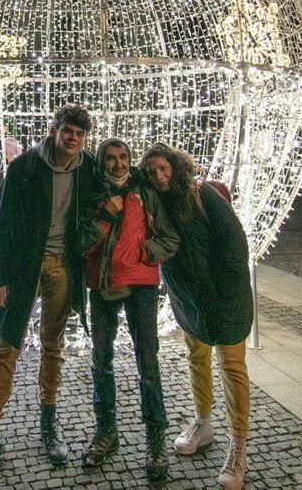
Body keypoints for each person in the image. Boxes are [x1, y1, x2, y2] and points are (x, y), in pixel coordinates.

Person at [0, 105, 96, 477]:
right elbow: (0, 221)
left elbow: (118, 183)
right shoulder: (25, 167)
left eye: (80, 134)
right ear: (55, 130)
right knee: (8, 347)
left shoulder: (88, 168)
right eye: (68, 131)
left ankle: (49, 423)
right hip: (24, 267)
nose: (74, 139)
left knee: (54, 346)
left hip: (63, 266)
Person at [140, 144, 253, 490]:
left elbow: (235, 245)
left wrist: (223, 290)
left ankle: (238, 446)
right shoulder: (158, 203)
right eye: (151, 172)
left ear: (174, 166)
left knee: (232, 365)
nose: (159, 176)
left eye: (163, 168)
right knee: (197, 357)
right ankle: (203, 422)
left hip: (224, 296)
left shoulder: (202, 194)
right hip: (188, 299)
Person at [80, 138, 179, 482]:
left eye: (123, 158)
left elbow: (170, 237)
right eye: (111, 159)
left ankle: (156, 439)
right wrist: (105, 216)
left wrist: (143, 254)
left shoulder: (146, 191)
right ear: (101, 162)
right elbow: (79, 242)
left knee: (147, 363)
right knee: (102, 362)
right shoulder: (90, 193)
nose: (118, 164)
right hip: (104, 285)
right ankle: (106, 431)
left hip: (141, 287)